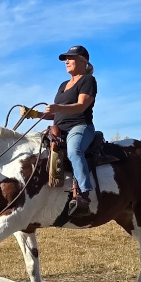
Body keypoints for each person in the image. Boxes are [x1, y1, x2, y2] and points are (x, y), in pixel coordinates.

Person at [43, 45, 98, 215]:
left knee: (74, 151)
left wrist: (57, 107)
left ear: (83, 61)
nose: (66, 61)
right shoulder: (63, 85)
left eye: (70, 58)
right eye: (65, 59)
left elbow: (81, 106)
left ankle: (83, 195)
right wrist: (35, 113)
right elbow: (56, 113)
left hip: (80, 127)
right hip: (59, 129)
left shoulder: (88, 80)